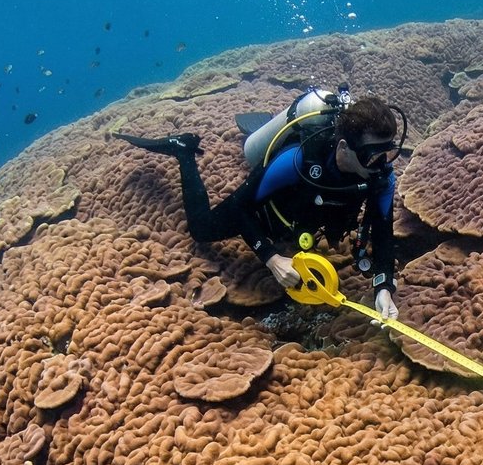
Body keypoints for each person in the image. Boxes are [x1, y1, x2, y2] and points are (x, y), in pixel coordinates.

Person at [114, 92, 403, 320]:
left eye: (389, 153)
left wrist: (383, 287)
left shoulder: (381, 178)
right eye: (372, 155)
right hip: (269, 210)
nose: (382, 164)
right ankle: (184, 150)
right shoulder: (298, 160)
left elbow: (383, 232)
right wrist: (271, 258)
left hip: (303, 218)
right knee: (202, 229)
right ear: (343, 148)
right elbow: (240, 207)